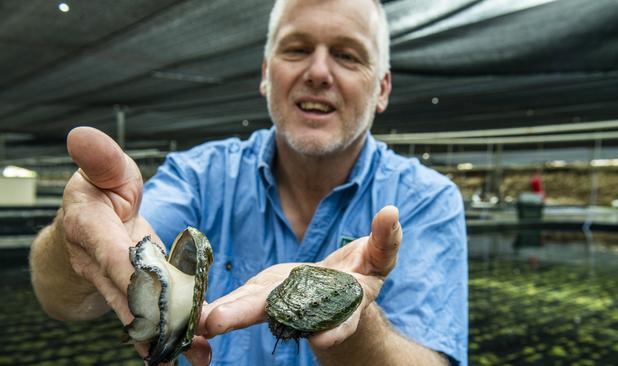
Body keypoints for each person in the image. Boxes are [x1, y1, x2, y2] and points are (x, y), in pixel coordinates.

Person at [29, 0, 468, 365]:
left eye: (347, 55)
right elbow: (61, 300)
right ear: (264, 73)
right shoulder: (199, 176)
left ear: (383, 88)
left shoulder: (426, 200)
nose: (318, 72)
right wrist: (77, 237)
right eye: (295, 49)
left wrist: (350, 319)